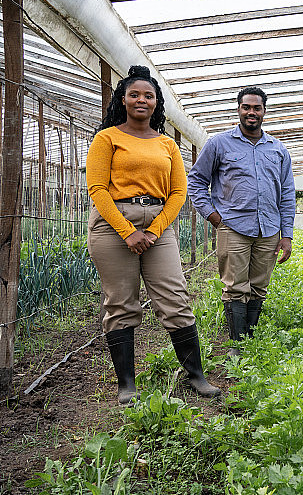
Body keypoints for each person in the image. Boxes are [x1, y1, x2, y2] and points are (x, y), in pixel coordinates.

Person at [87, 65, 220, 404]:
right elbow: (98, 189)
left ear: (157, 103)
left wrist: (154, 230)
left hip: (158, 223)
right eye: (135, 95)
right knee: (120, 303)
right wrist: (128, 231)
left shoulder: (167, 144)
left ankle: (196, 377)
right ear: (123, 100)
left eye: (149, 95)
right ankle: (127, 385)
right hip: (114, 223)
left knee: (175, 300)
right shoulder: (107, 138)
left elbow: (178, 193)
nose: (141, 100)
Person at [188, 87, 295, 357]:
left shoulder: (278, 149)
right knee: (236, 285)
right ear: (238, 109)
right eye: (246, 107)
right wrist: (213, 215)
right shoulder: (219, 144)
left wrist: (287, 234)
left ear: (264, 112)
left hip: (269, 228)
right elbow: (196, 181)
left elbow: (287, 193)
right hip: (233, 225)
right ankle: (237, 345)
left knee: (259, 284)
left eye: (256, 108)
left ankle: (250, 338)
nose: (251, 112)